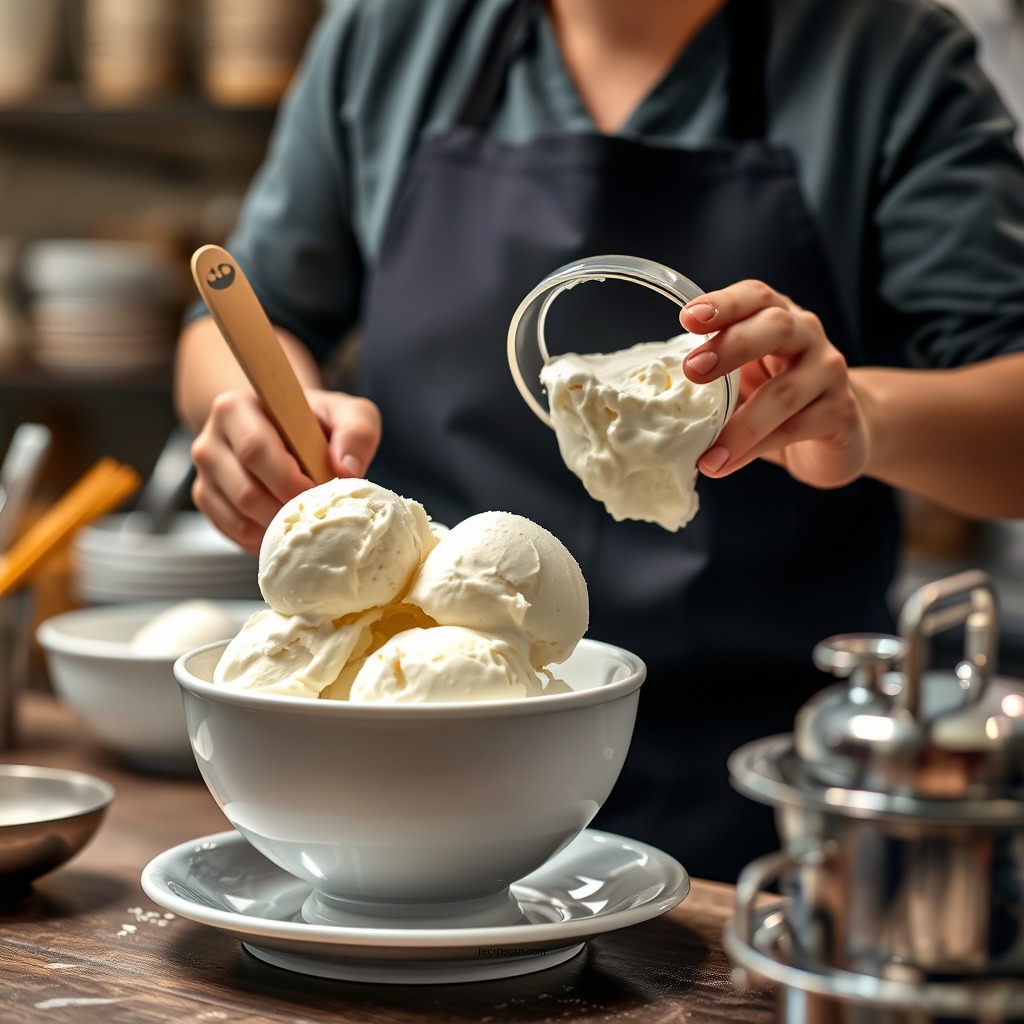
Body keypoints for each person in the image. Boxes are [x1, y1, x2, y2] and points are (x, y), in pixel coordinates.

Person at [174, 0, 1024, 884]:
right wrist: (259, 411)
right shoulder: (394, 32)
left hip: (761, 803)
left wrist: (860, 417)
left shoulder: (883, 57)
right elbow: (239, 314)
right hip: (408, 779)